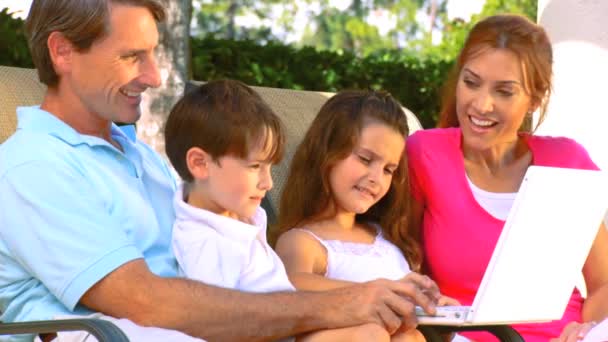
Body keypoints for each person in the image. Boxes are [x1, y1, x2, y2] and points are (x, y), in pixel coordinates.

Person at [0, 0, 441, 341]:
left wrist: (363, 300)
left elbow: (213, 259)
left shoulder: (140, 157)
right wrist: (338, 305)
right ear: (62, 52)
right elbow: (142, 301)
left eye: (152, 54)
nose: (154, 76)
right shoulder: (35, 165)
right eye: (132, 56)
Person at [166, 80, 430, 342]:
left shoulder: (247, 220)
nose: (268, 183)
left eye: (389, 170)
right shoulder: (204, 243)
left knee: (409, 338)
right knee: (370, 335)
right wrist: (371, 295)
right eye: (255, 165)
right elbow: (220, 324)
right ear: (200, 164)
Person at [406, 14, 608, 342]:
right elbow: (401, 269)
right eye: (471, 82)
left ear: (536, 98)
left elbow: (602, 284)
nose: (482, 104)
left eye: (504, 91)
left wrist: (587, 330)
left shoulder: (568, 163)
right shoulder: (424, 156)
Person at [274, 90, 458, 341]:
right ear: (326, 150)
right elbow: (288, 287)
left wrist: (432, 312)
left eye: (388, 170)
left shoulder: (388, 240)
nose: (376, 178)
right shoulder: (304, 242)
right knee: (371, 334)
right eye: (365, 159)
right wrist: (376, 293)